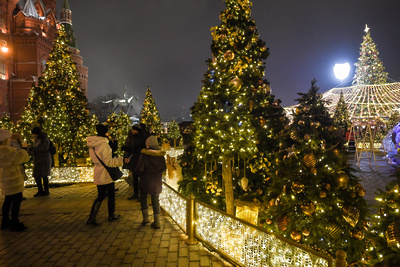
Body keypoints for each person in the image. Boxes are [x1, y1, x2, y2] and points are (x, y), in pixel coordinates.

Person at [86, 124, 130, 226]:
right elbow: (108, 162)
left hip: (98, 171)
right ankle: (111, 215)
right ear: (105, 132)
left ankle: (92, 217)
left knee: (100, 195)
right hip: (106, 174)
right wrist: (122, 160)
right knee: (111, 195)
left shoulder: (93, 144)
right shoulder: (104, 145)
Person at [0, 129, 30, 231]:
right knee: (17, 200)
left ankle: (5, 222)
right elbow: (19, 159)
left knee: (8, 200)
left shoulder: (3, 149)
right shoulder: (5, 149)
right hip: (13, 179)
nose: (9, 140)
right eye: (7, 138)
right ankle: (14, 222)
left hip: (6, 178)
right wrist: (23, 150)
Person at [135, 135, 166, 229]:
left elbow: (139, 169)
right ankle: (157, 222)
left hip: (146, 180)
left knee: (143, 197)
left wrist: (137, 173)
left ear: (148, 145)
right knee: (156, 200)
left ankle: (146, 218)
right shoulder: (161, 157)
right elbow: (163, 168)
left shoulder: (144, 156)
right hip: (156, 181)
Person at [122, 124, 148, 200]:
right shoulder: (132, 138)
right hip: (134, 160)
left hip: (141, 159)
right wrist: (126, 149)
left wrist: (139, 150)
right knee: (135, 178)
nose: (132, 131)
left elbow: (144, 149)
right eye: (132, 130)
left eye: (134, 130)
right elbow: (132, 150)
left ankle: (142, 195)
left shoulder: (143, 137)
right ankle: (135, 193)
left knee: (142, 178)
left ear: (138, 130)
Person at [30, 127, 52, 197]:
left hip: (44, 160)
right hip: (37, 160)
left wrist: (32, 148)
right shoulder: (36, 140)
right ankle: (40, 190)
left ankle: (46, 191)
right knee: (37, 176)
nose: (34, 136)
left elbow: (44, 148)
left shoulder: (44, 139)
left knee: (44, 175)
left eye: (35, 134)